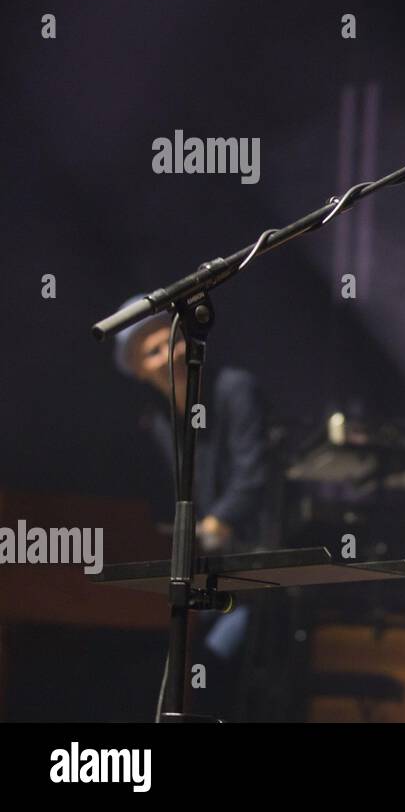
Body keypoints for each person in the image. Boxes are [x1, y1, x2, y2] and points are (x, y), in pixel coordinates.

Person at [114, 301, 269, 717]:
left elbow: (254, 473)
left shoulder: (234, 387)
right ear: (141, 372)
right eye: (152, 352)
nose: (168, 354)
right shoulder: (159, 422)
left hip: (254, 568)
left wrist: (220, 519)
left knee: (214, 664)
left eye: (170, 340)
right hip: (202, 568)